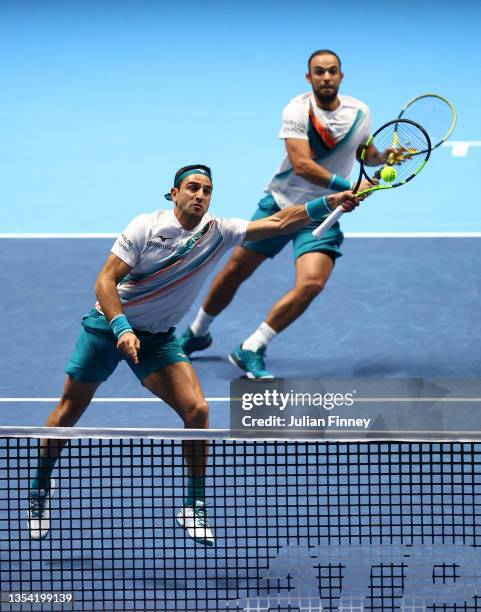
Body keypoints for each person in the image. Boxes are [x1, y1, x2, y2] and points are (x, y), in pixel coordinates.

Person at [27, 164, 362, 546]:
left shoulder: (218, 232)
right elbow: (105, 281)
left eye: (207, 190)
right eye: (192, 188)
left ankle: (194, 503)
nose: (200, 195)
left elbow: (282, 222)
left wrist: (327, 202)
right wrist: (120, 328)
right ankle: (40, 485)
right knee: (67, 411)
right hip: (106, 329)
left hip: (156, 341)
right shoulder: (145, 227)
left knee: (197, 410)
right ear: (174, 194)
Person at [179, 50, 373, 379]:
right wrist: (346, 185)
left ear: (342, 76)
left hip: (323, 213)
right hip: (282, 204)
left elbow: (361, 149)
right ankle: (197, 333)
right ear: (309, 77)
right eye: (319, 72)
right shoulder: (297, 109)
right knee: (235, 271)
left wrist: (384, 156)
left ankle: (253, 346)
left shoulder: (360, 113)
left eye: (332, 71)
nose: (326, 77)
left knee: (312, 282)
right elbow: (302, 164)